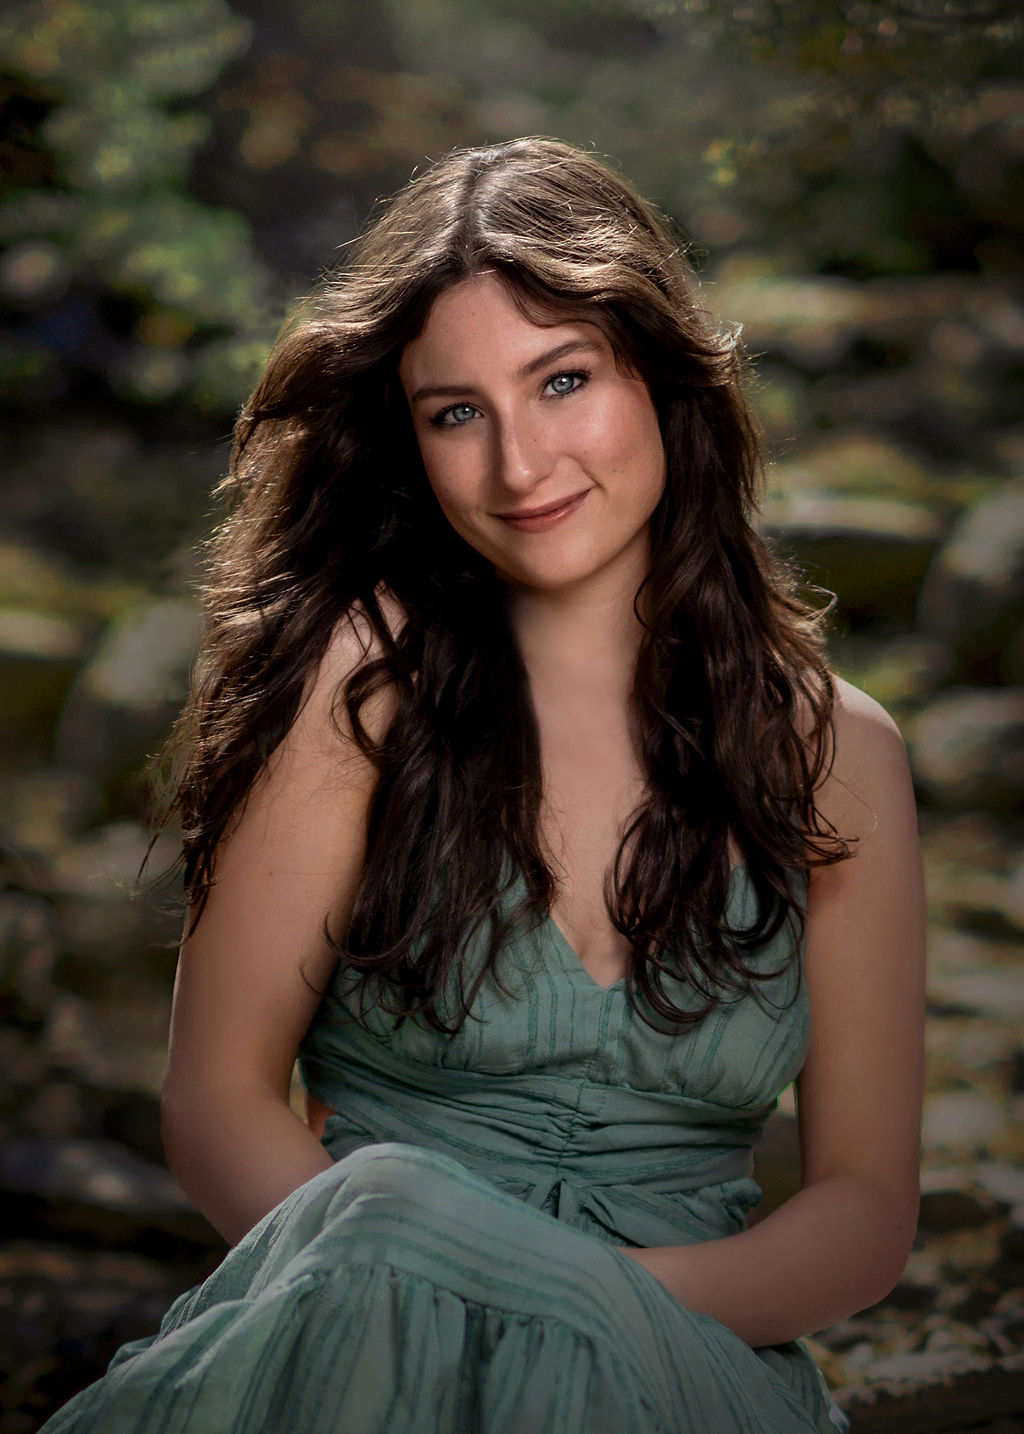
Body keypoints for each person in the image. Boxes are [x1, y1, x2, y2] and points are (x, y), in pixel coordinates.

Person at [40, 136, 926, 1434]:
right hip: (348, 1324)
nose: (520, 464)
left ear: (660, 374)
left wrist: (570, 1302)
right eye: (458, 411)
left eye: (562, 380)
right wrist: (422, 1273)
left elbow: (862, 1210)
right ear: (408, 439)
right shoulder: (358, 688)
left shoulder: (843, 754)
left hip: (680, 1353)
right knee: (389, 1203)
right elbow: (218, 1098)